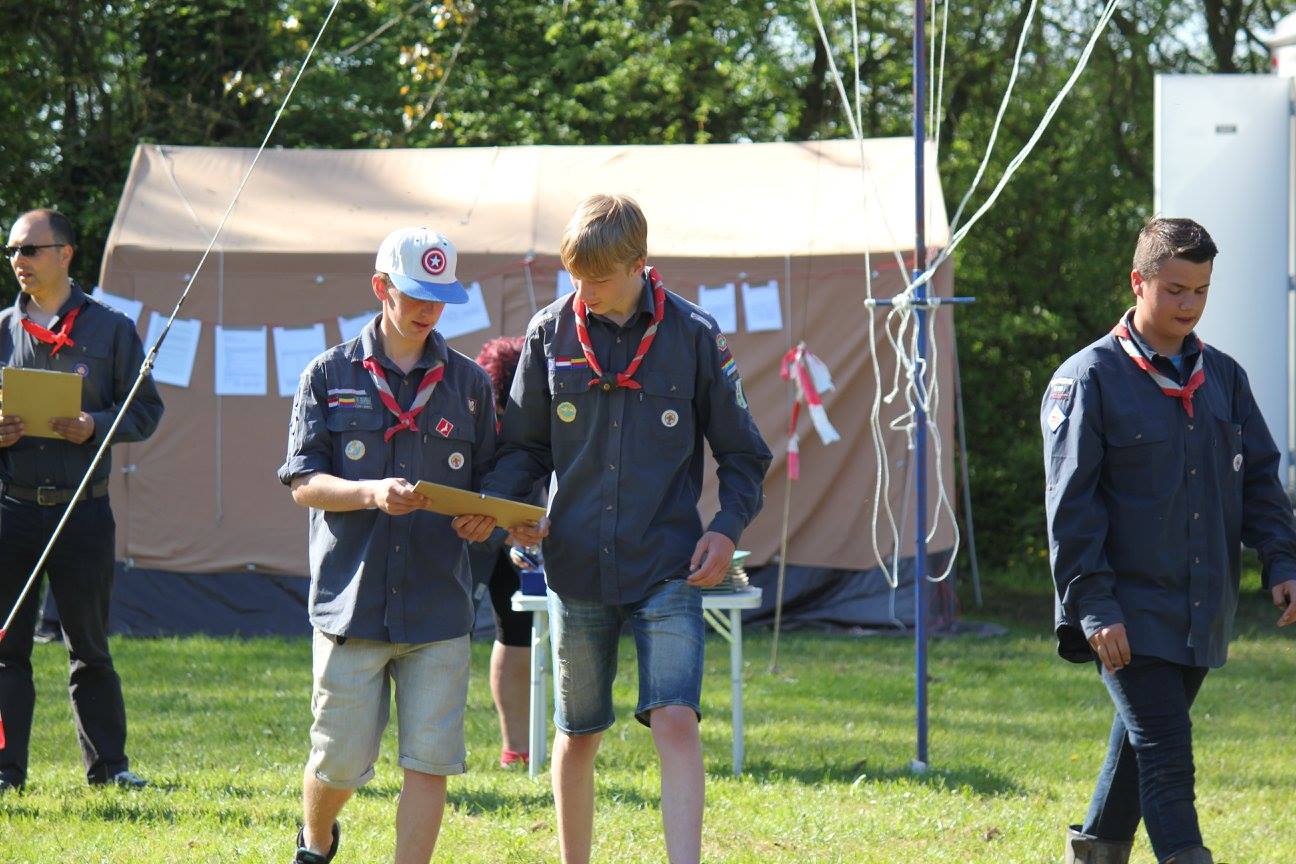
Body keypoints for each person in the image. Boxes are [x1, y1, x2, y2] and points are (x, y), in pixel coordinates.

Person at [460, 194, 771, 864]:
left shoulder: (694, 335)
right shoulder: (548, 333)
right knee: (578, 733)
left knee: (676, 720)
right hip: (575, 566)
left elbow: (745, 455)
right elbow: (523, 450)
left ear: (638, 264)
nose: (585, 291)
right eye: (575, 276)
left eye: (598, 278)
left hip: (668, 565)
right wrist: (509, 512)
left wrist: (725, 528)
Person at [1043, 217, 1296, 864]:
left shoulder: (1224, 378)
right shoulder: (1089, 378)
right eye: (1175, 289)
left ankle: (1094, 854)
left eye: (1201, 290)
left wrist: (1281, 561)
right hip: (1126, 611)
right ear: (1139, 281)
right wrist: (1094, 606)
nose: (1189, 304)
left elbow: (1260, 480)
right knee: (1165, 754)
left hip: (1200, 609)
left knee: (1139, 751)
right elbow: (1072, 508)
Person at [278, 227, 497, 864]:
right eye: (416, 294)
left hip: (439, 605)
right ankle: (317, 840)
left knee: (430, 762)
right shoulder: (327, 374)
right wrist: (370, 493)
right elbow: (303, 483)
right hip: (353, 603)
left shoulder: (470, 384)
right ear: (381, 287)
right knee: (340, 761)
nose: (430, 309)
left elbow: (490, 481)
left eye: (441, 297)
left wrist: (486, 516)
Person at [0, 208, 164, 792]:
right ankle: (5, 772)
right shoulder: (2, 330)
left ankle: (109, 769)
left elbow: (146, 410)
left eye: (29, 249)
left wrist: (95, 425)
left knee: (89, 647)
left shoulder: (112, 330)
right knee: (6, 647)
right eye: (12, 251)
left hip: (83, 510)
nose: (18, 261)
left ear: (65, 253)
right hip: (12, 510)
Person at [469, 336, 534, 768]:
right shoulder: (467, 404)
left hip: (523, 529)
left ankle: (518, 747)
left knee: (516, 632)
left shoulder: (536, 406)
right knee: (446, 637)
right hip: (468, 529)